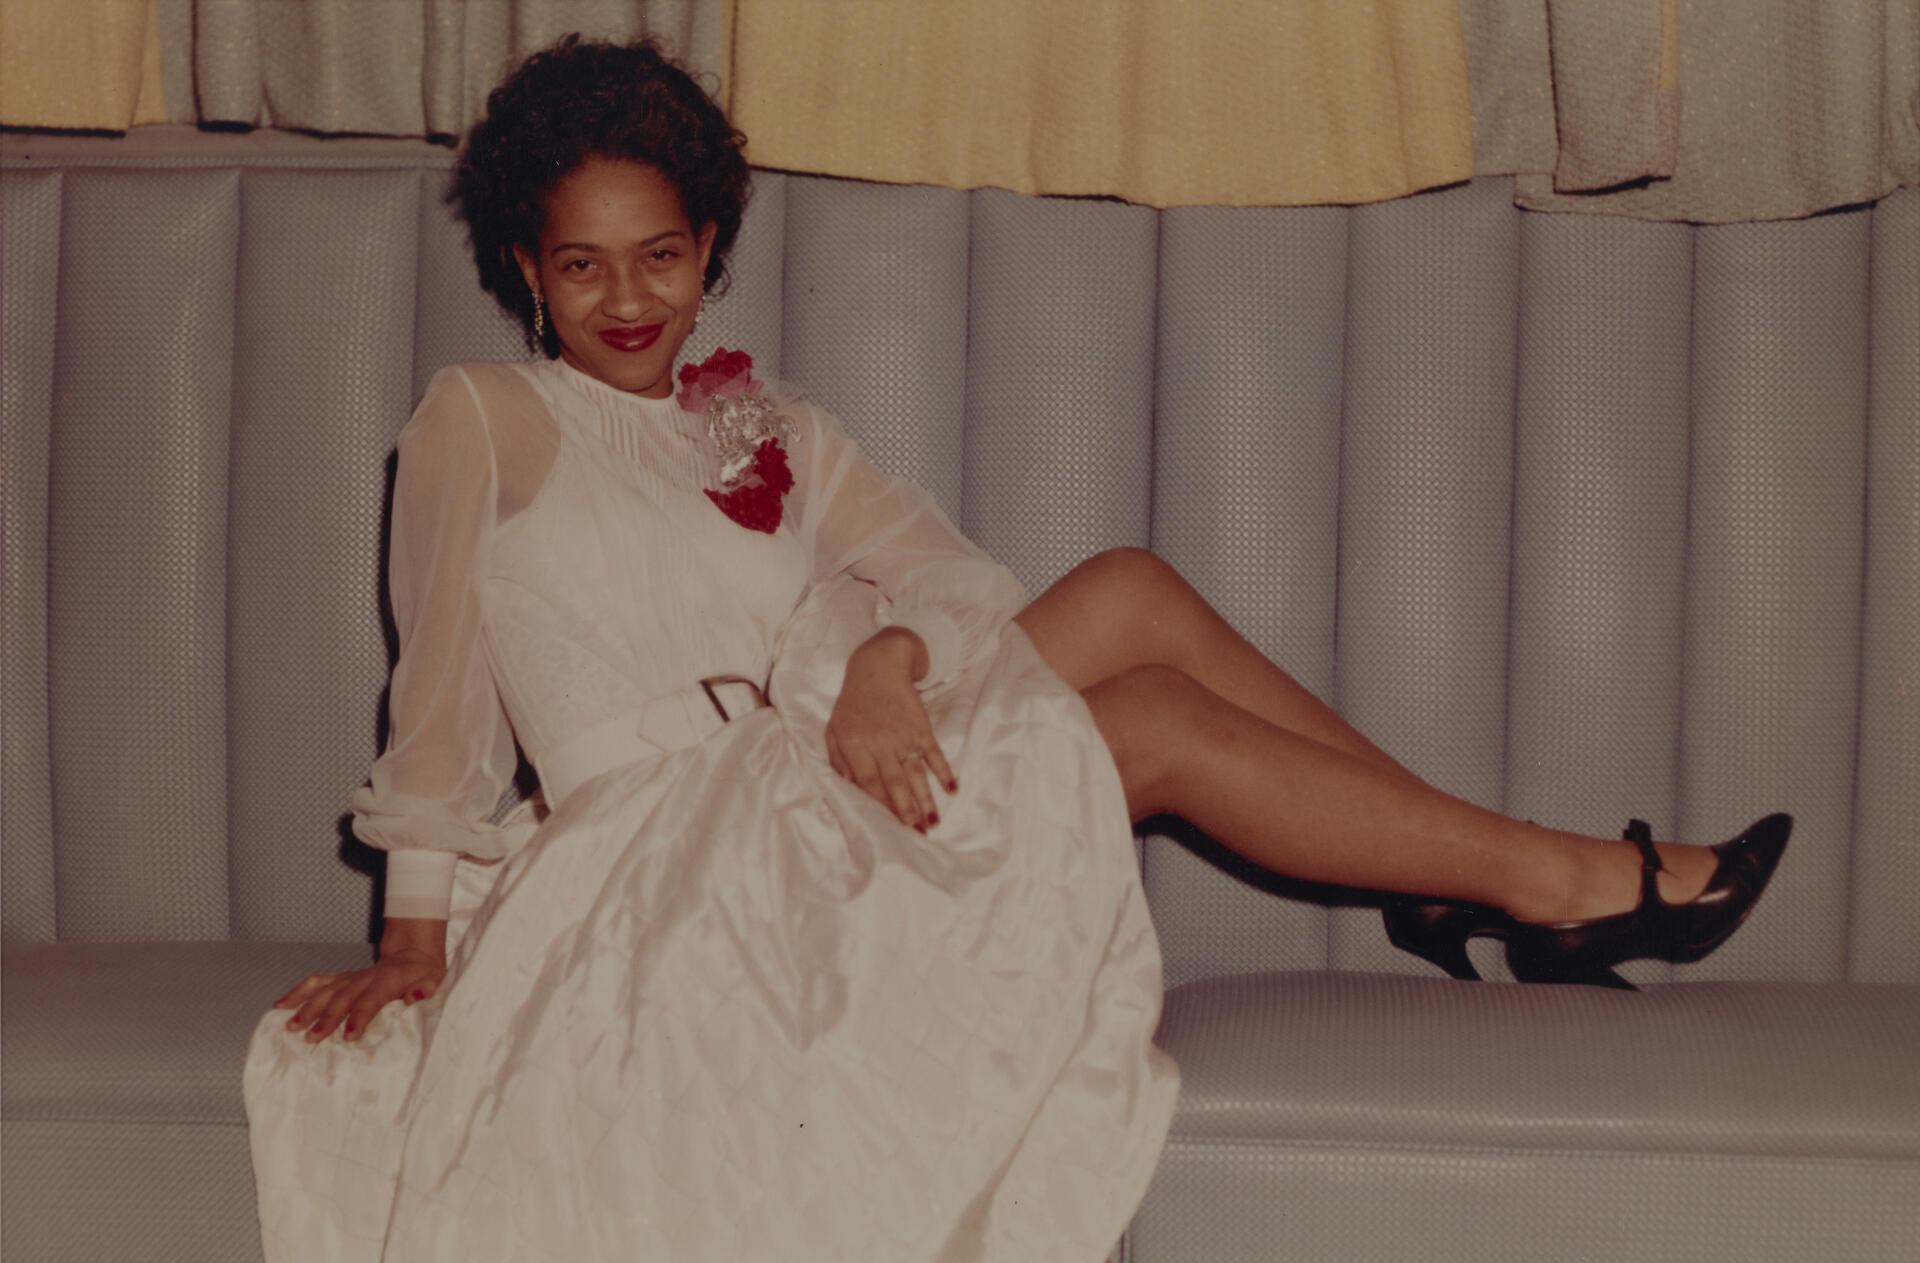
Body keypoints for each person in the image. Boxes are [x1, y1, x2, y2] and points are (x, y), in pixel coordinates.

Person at [245, 35, 1790, 1263]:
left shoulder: (758, 425)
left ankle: (1464, 878)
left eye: (660, 255)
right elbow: (436, 683)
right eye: (582, 265)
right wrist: (415, 939)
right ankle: (1553, 886)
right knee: (1155, 721)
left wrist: (886, 664)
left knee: (1127, 589)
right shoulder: (483, 417)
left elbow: (956, 581)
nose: (628, 298)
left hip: (798, 793)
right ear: (526, 267)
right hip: (653, 871)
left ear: (709, 246)